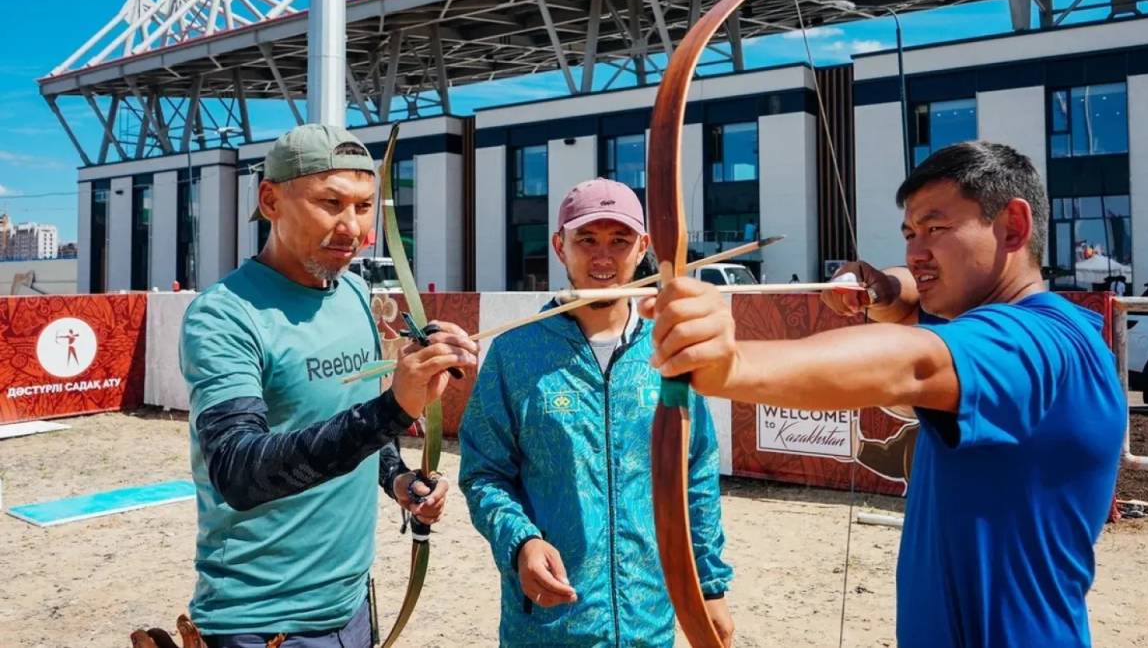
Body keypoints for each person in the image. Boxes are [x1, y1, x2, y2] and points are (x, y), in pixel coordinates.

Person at [641, 141, 1125, 648]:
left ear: (1013, 227)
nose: (916, 253)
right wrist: (880, 290)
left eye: (936, 229)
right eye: (910, 234)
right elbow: (912, 303)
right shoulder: (1034, 326)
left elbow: (913, 363)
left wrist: (732, 365)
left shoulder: (1035, 344)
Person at [178, 124, 478, 647]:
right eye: (330, 202)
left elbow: (352, 414)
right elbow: (238, 471)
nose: (354, 229)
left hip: (351, 602)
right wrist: (393, 408)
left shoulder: (355, 294)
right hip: (262, 621)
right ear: (270, 200)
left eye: (364, 207)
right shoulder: (225, 316)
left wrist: (399, 480)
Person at [458, 178, 734, 647]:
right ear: (559, 246)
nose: (603, 257)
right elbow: (484, 474)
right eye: (586, 239)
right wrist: (521, 542)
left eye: (620, 240)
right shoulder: (514, 353)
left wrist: (708, 586)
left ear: (642, 246)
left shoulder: (669, 348)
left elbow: (696, 473)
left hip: (649, 620)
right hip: (547, 624)